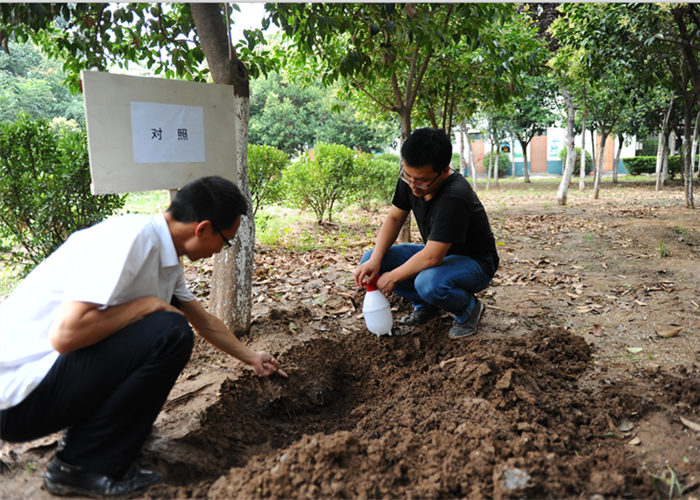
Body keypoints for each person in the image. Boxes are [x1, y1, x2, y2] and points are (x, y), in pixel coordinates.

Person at [0, 175, 287, 498]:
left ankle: (87, 441)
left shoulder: (164, 253)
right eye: (226, 240)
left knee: (168, 327)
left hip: (41, 384)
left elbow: (203, 321)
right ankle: (81, 468)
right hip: (17, 397)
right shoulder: (131, 238)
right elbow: (65, 335)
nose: (222, 249)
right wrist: (145, 305)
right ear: (203, 228)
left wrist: (252, 358)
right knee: (169, 333)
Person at [354, 128, 499, 339]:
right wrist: (376, 259)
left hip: (475, 263)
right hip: (440, 255)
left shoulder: (455, 196)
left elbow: (433, 256)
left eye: (422, 181)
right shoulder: (411, 179)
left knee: (428, 282)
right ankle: (426, 305)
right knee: (370, 259)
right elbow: (395, 218)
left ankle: (468, 308)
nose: (413, 186)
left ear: (445, 171)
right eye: (408, 176)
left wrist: (393, 277)